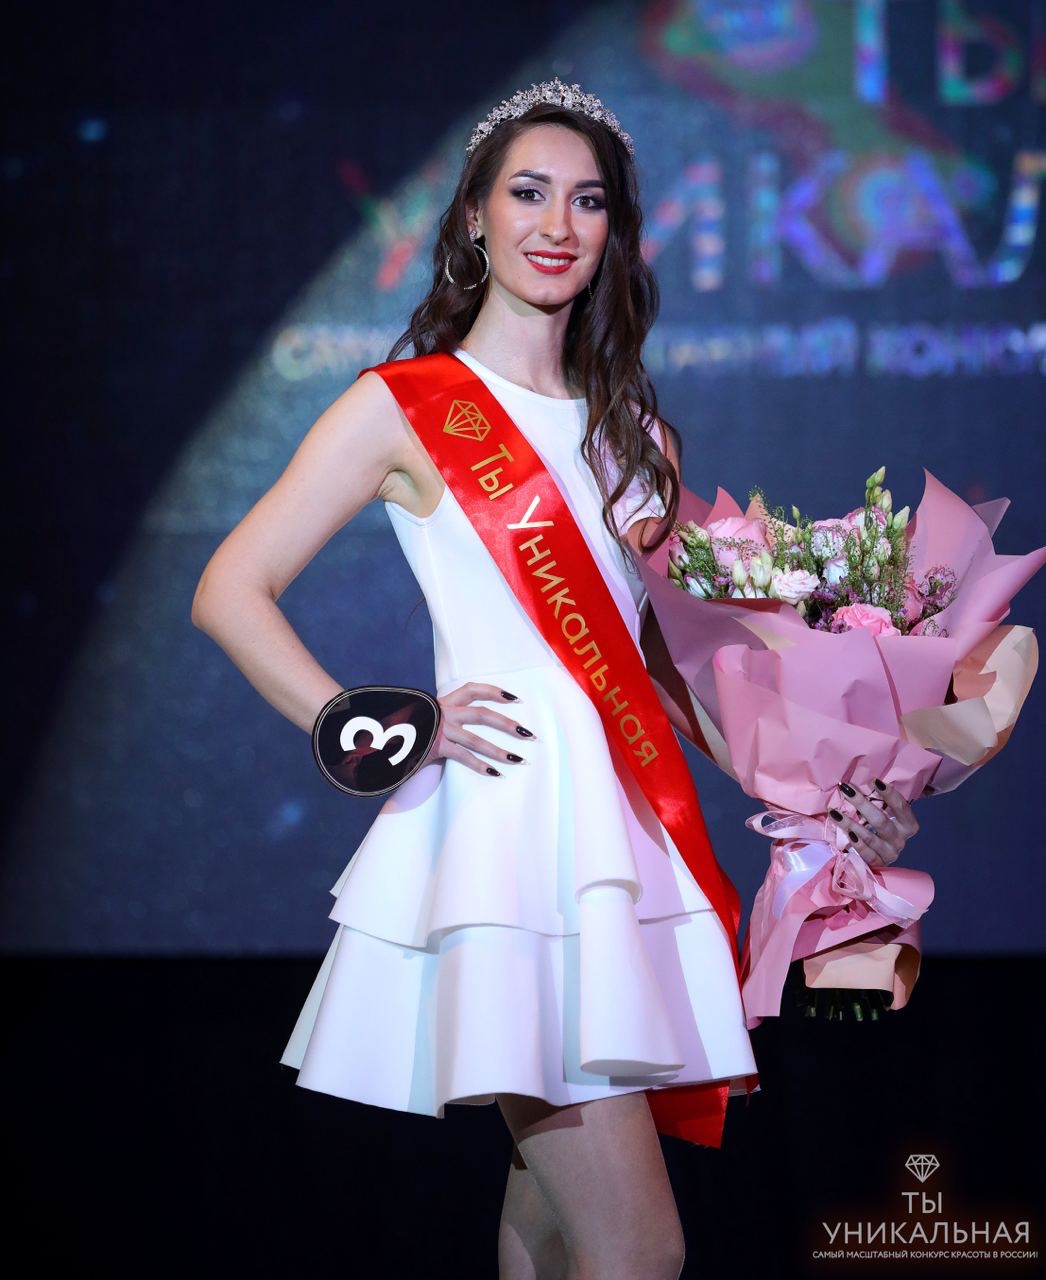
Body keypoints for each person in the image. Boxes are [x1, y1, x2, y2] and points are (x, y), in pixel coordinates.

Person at [191, 79, 920, 1280]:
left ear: (613, 233)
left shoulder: (636, 433)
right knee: (637, 1246)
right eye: (527, 192)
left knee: (548, 1228)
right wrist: (379, 724)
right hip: (511, 836)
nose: (555, 223)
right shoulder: (404, 406)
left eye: (586, 201)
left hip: (619, 837)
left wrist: (824, 791)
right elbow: (230, 586)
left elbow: (662, 670)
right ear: (474, 216)